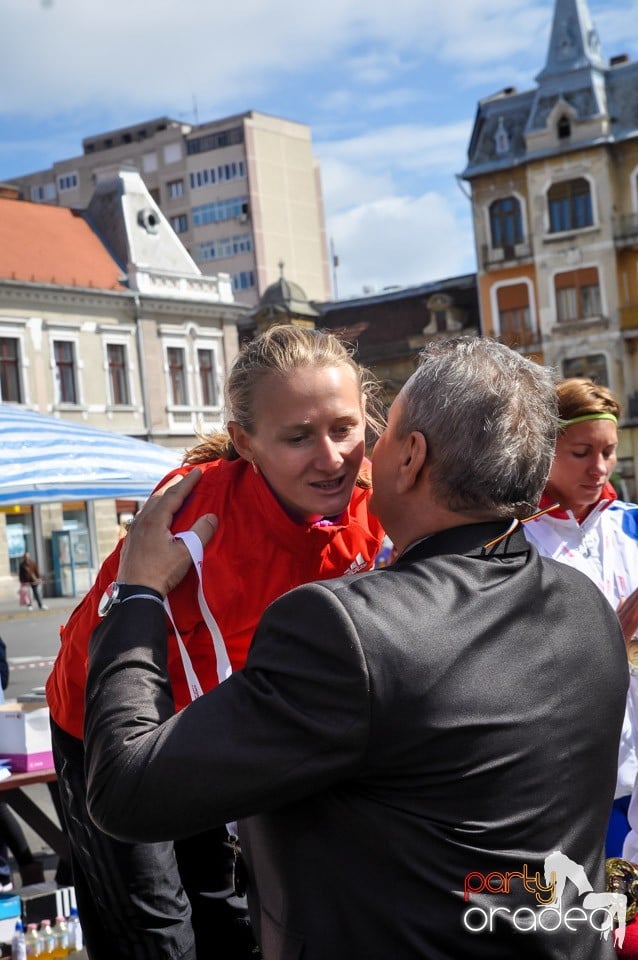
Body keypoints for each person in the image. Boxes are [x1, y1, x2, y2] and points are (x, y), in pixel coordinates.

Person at [84, 337, 628, 959]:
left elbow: (127, 790)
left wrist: (138, 594)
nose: (348, 458)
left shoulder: (346, 630)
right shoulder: (588, 608)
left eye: (374, 431)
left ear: (411, 458)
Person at [46, 324, 385, 960]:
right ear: (245, 443)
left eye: (343, 427)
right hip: (104, 722)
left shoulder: (376, 505)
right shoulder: (192, 515)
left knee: (233, 922)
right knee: (156, 933)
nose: (332, 457)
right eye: (298, 437)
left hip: (216, 726)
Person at [523, 378, 638, 857]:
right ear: (543, 448)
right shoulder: (517, 540)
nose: (599, 468)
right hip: (574, 779)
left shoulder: (631, 522)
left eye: (608, 451)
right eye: (581, 452)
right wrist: (612, 634)